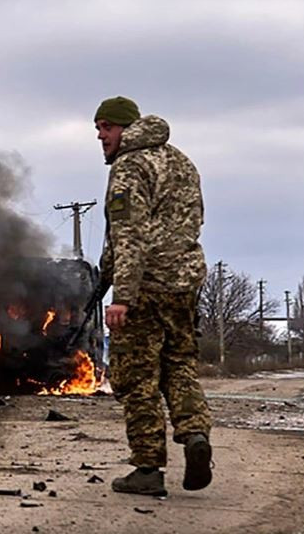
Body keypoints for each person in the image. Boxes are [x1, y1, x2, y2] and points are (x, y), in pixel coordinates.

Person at [94, 95, 213, 496]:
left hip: (144, 288)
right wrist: (102, 277)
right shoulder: (181, 162)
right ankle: (195, 434)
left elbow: (128, 236)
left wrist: (121, 296)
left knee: (137, 379)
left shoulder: (130, 166)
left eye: (107, 127)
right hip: (184, 285)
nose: (101, 135)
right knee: (179, 366)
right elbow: (193, 221)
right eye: (98, 128)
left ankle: (148, 468)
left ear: (127, 128)